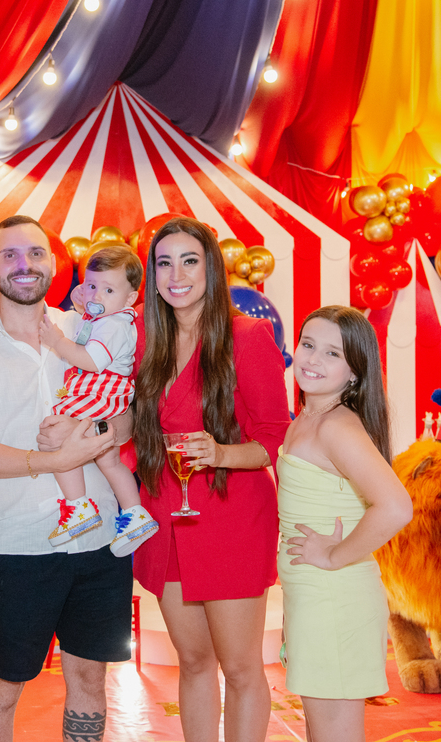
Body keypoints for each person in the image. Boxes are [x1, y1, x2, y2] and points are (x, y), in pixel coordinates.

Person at [0, 215, 134, 742]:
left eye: (35, 254)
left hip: (101, 543)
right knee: (2, 689)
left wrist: (98, 428)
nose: (25, 265)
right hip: (19, 549)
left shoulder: (87, 330)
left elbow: (129, 411)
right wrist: (51, 460)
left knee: (91, 678)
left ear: (54, 261)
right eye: (10, 255)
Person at [131, 216, 289, 742]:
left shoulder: (248, 337)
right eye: (164, 262)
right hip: (165, 522)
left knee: (242, 668)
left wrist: (220, 452)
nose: (176, 274)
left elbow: (273, 437)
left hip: (232, 520)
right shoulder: (143, 338)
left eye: (190, 260)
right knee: (192, 663)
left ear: (212, 269)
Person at [277, 306, 413, 741]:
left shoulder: (337, 426)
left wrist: (335, 555)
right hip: (315, 598)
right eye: (308, 345)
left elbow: (395, 506)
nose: (313, 360)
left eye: (332, 354)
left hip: (335, 599)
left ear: (355, 371)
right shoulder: (308, 419)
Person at [39, 246, 159, 555]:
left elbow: (91, 359)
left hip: (100, 389)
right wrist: (86, 300)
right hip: (106, 391)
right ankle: (135, 513)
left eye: (108, 289)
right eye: (92, 285)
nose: (97, 295)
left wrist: (56, 341)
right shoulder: (107, 317)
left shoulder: (116, 325)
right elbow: (90, 319)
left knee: (55, 435)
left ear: (130, 299)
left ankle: (78, 506)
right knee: (109, 460)